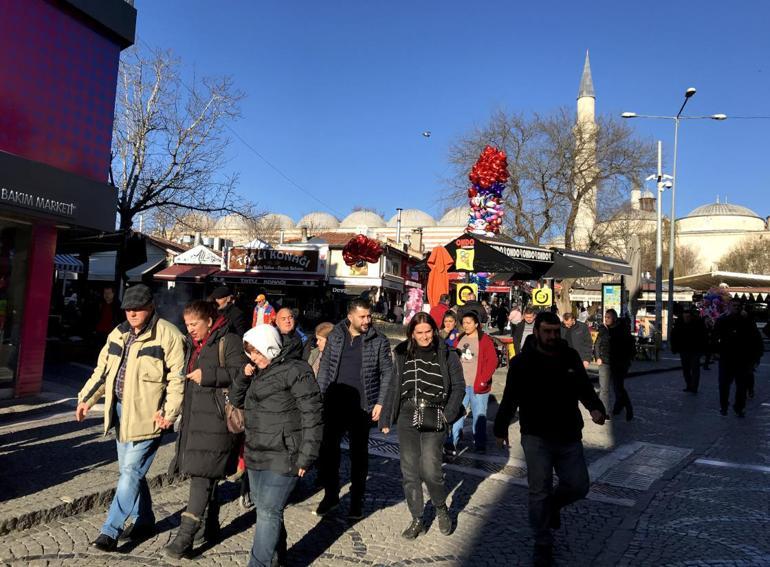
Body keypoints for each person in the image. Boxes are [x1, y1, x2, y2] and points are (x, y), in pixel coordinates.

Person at [75, 284, 185, 552]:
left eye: (138, 308)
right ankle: (145, 519)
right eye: (128, 308)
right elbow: (103, 370)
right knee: (131, 473)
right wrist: (86, 399)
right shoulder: (118, 333)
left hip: (150, 416)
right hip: (120, 412)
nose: (132, 313)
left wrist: (170, 413)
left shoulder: (169, 336)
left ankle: (110, 531)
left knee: (130, 472)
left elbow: (177, 380)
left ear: (150, 307)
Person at [494, 311, 607, 567]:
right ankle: (542, 542)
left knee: (579, 485)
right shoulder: (523, 362)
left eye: (556, 331)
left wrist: (595, 407)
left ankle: (553, 506)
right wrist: (500, 429)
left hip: (568, 433)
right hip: (536, 436)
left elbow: (584, 387)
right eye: (547, 331)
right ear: (537, 332)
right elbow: (510, 397)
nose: (552, 336)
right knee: (538, 490)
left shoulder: (570, 356)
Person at [230, 324, 323, 567]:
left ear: (270, 347)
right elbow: (235, 399)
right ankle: (277, 557)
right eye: (250, 353)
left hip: (285, 453)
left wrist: (307, 455)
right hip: (256, 451)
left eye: (258, 352)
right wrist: (244, 374)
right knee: (265, 508)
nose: (255, 357)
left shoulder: (296, 370)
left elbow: (312, 414)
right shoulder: (257, 371)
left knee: (269, 512)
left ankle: (258, 564)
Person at [164, 300, 245, 559]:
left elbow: (241, 373)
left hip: (217, 423)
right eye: (187, 324)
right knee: (205, 474)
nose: (190, 329)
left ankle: (184, 537)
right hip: (195, 421)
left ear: (210, 320)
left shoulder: (229, 340)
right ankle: (211, 527)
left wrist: (208, 375)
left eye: (194, 324)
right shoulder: (195, 344)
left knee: (201, 477)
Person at [379, 312, 465, 539]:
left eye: (428, 331)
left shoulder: (447, 354)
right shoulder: (401, 353)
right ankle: (417, 518)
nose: (425, 336)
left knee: (430, 468)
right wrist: (386, 416)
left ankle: (440, 507)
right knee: (409, 470)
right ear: (412, 334)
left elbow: (458, 387)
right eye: (420, 333)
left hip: (436, 413)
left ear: (434, 332)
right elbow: (393, 385)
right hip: (408, 414)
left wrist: (447, 415)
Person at [315, 298, 393, 519]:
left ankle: (356, 501)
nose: (367, 320)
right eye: (363, 316)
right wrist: (319, 398)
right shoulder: (336, 336)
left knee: (359, 456)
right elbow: (325, 368)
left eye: (369, 316)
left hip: (362, 406)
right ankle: (331, 495)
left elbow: (387, 372)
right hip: (334, 403)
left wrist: (380, 402)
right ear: (350, 317)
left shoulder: (379, 340)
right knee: (329, 453)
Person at [448, 312, 497, 454]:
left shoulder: (485, 340)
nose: (466, 325)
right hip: (460, 385)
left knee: (479, 415)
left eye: (469, 323)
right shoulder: (460, 338)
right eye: (464, 323)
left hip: (478, 386)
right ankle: (452, 442)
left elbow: (492, 361)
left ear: (476, 324)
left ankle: (480, 443)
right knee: (457, 413)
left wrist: (483, 380)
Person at [714, 299, 764, 417]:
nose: (736, 307)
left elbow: (756, 340)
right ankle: (724, 406)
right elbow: (715, 337)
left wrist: (756, 357)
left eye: (738, 306)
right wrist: (715, 351)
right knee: (724, 385)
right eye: (734, 305)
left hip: (743, 359)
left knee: (741, 386)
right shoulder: (722, 321)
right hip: (727, 358)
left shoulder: (747, 321)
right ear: (729, 307)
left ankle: (739, 407)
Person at [595, 309, 635, 421]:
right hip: (604, 362)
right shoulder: (603, 329)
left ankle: (627, 407)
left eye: (608, 317)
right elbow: (597, 344)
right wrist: (597, 357)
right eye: (605, 317)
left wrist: (626, 362)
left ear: (614, 318)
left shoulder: (622, 330)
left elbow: (629, 348)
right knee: (604, 389)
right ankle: (604, 412)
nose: (606, 319)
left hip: (618, 363)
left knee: (619, 388)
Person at [670, 308, 707, 394]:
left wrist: (703, 349)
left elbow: (704, 336)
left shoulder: (698, 323)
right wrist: (674, 348)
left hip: (695, 350)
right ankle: (689, 385)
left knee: (695, 369)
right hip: (684, 350)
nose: (686, 318)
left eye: (688, 316)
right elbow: (674, 336)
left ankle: (694, 387)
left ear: (691, 316)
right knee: (686, 369)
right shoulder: (679, 323)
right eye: (685, 316)